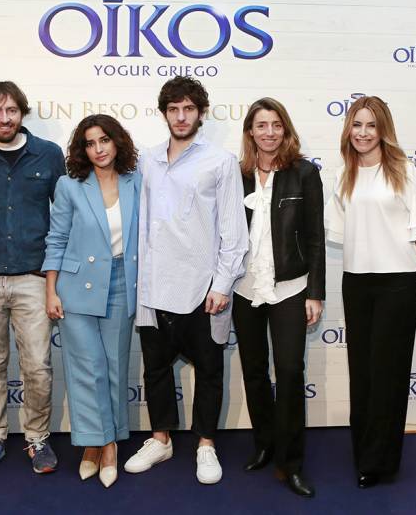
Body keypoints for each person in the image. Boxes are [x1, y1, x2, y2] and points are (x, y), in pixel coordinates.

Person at [124, 76, 249, 485]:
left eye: (188, 109)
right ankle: (160, 439)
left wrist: (222, 284)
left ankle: (206, 444)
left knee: (209, 371)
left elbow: (234, 231)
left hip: (202, 289)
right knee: (156, 369)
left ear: (201, 113)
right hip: (153, 286)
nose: (181, 116)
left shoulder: (221, 161)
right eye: (174, 109)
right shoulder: (147, 160)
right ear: (164, 113)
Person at [325, 95, 416, 489]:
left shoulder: (404, 171)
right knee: (363, 371)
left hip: (398, 283)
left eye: (371, 125)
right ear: (349, 130)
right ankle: (364, 453)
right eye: (357, 125)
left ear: (383, 130)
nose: (363, 132)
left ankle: (381, 462)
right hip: (357, 281)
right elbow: (341, 231)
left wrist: (405, 262)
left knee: (389, 372)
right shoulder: (344, 175)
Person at [0, 81, 65, 476]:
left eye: (11, 111)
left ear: (22, 112)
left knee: (38, 365)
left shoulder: (49, 154)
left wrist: (56, 275)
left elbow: (63, 216)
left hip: (33, 278)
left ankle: (37, 438)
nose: (4, 119)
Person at [230, 98, 324, 497]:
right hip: (244, 287)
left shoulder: (304, 173)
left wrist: (315, 293)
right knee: (254, 371)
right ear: (250, 132)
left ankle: (292, 462)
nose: (269, 132)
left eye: (276, 125)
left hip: (290, 287)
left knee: (288, 371)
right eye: (261, 125)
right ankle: (265, 445)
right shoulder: (237, 175)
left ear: (285, 129)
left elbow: (316, 237)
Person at [42, 114, 140, 488]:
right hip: (75, 287)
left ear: (117, 142)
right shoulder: (70, 186)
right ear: (82, 150)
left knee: (114, 367)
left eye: (104, 140)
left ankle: (109, 445)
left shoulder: (137, 182)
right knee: (87, 369)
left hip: (122, 285)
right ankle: (92, 444)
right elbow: (56, 239)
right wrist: (51, 290)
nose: (98, 149)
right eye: (90, 143)